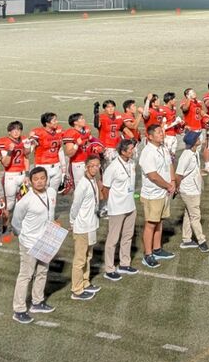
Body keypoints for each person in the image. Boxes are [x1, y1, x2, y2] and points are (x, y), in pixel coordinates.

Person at [10, 167, 56, 323]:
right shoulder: (25, 201)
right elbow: (15, 223)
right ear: (30, 182)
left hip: (46, 239)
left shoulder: (51, 193)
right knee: (26, 275)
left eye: (42, 178)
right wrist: (24, 237)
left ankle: (37, 302)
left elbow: (50, 214)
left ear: (46, 179)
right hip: (30, 242)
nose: (40, 181)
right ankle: (19, 310)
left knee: (42, 272)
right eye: (36, 179)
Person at [137, 124, 176, 269]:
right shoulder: (148, 152)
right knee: (151, 223)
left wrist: (172, 181)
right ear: (150, 136)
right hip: (153, 194)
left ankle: (157, 249)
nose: (162, 134)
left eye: (162, 132)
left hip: (163, 192)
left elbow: (169, 164)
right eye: (158, 132)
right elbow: (152, 175)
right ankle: (148, 254)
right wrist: (168, 185)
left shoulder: (163, 148)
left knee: (159, 221)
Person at [101, 139, 139, 279]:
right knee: (113, 239)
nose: (133, 151)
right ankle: (109, 268)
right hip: (117, 208)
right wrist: (110, 204)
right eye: (130, 149)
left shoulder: (132, 163)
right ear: (123, 151)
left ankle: (124, 263)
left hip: (130, 206)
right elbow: (105, 188)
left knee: (128, 236)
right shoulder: (113, 167)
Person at [68, 154, 103, 301]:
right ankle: (76, 290)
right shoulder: (82, 184)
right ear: (86, 167)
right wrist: (72, 222)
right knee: (80, 259)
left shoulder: (93, 180)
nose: (95, 168)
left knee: (88, 256)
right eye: (92, 166)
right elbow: (75, 206)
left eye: (97, 165)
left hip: (91, 224)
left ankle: (85, 282)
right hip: (82, 226)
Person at [174, 130, 208, 252]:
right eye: (197, 138)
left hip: (194, 188)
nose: (199, 139)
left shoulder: (195, 152)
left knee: (189, 214)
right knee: (195, 216)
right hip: (189, 190)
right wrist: (177, 187)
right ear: (194, 142)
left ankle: (186, 239)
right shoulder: (186, 156)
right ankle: (201, 240)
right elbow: (178, 174)